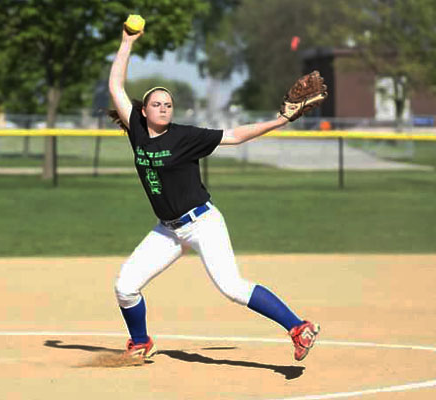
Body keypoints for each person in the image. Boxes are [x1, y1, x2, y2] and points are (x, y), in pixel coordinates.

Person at [108, 26, 321, 362]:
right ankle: (140, 342)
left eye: (168, 104)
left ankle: (298, 327)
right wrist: (126, 42)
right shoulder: (136, 130)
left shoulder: (185, 136)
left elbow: (235, 135)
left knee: (231, 287)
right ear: (144, 111)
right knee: (125, 287)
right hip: (168, 229)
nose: (164, 108)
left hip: (202, 222)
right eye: (157, 104)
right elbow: (115, 85)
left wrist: (279, 121)